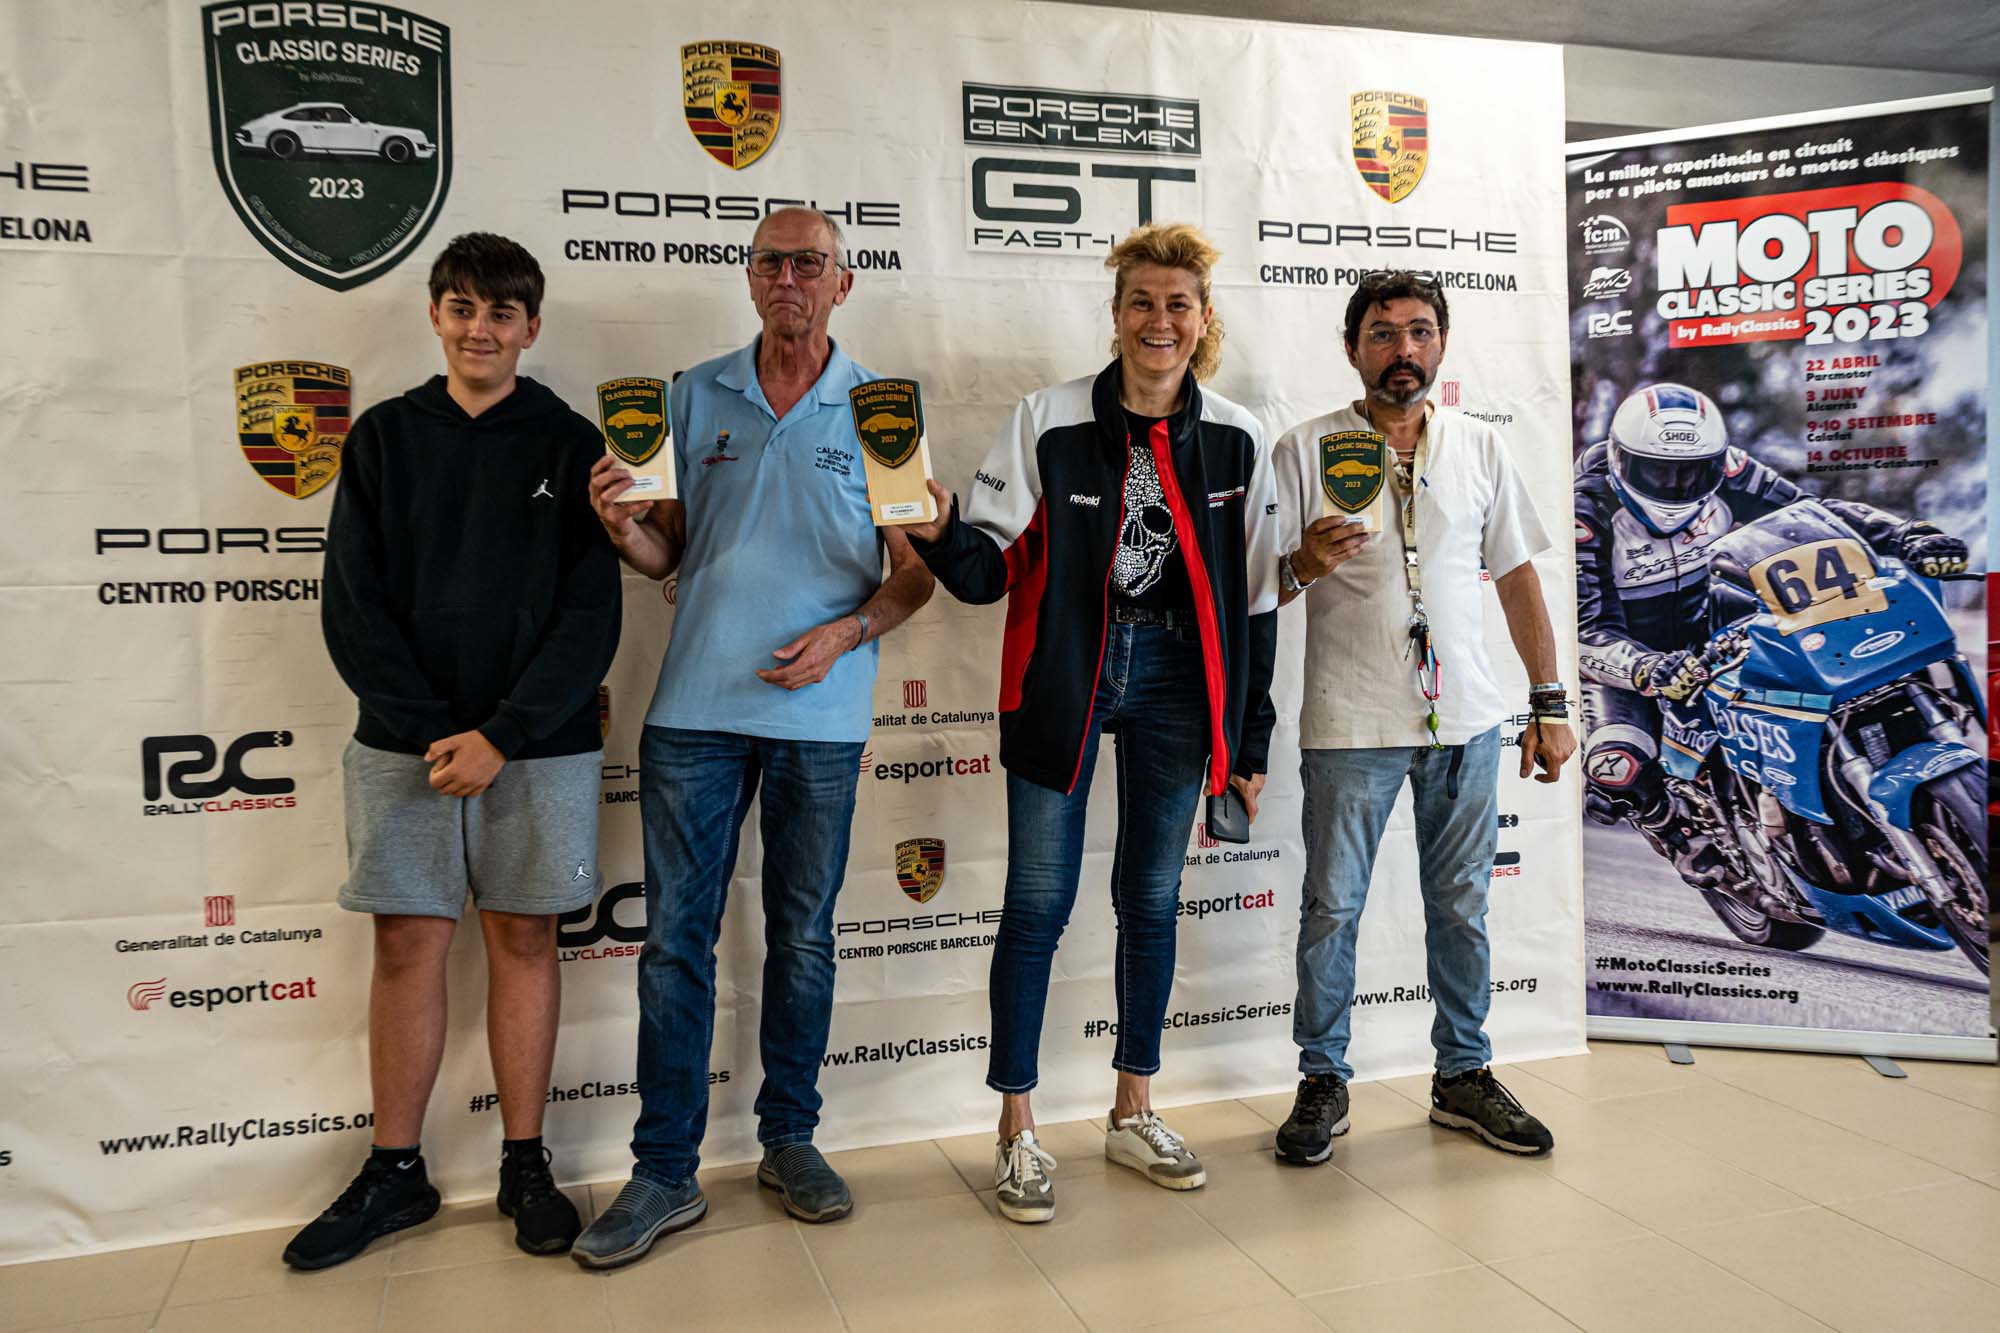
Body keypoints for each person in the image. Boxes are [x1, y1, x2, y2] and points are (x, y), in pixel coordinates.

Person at [571, 207, 935, 1270]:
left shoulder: (880, 411)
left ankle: (789, 1139)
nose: (790, 279)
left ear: (841, 282)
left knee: (804, 937)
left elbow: (915, 574)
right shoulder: (692, 395)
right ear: (748, 276)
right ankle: (663, 1170)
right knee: (673, 944)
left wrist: (847, 632)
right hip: (692, 712)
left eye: (810, 263)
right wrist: (622, 526)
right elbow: (667, 553)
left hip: (820, 719)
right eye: (773, 261)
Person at [905, 223, 1279, 1224]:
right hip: (1067, 673)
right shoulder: (1048, 418)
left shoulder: (1238, 435)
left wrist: (1248, 742)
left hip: (1179, 681)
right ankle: (1016, 1127)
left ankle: (1132, 1109)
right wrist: (936, 531)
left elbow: (1255, 605)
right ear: (1114, 316)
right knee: (1036, 900)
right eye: (1140, 302)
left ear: (1202, 320)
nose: (1159, 320)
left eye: (1177, 304)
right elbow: (987, 573)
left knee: (1149, 899)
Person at [287, 232, 622, 1269]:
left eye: (501, 312)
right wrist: (443, 731)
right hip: (406, 745)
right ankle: (396, 1170)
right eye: (463, 307)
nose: (481, 328)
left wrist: (504, 734)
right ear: (435, 315)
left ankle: (526, 1163)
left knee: (525, 941)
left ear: (532, 326)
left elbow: (590, 615)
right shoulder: (384, 437)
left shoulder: (571, 442)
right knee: (406, 945)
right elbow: (352, 606)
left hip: (540, 746)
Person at [1269, 269, 1571, 1165]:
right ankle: (1323, 1079)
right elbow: (1256, 586)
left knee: (1462, 907)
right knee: (1332, 910)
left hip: (1465, 721)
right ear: (1351, 347)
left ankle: (1463, 1074)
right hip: (1349, 723)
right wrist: (1303, 564)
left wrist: (1550, 701)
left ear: (1441, 343)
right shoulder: (1303, 448)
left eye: (1420, 331)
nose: (1403, 349)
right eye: (1383, 333)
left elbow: (1517, 575)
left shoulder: (1479, 445)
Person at [1574, 381, 1968, 888]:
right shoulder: (1585, 513)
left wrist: (1903, 533)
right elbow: (1585, 627)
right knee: (1615, 763)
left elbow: (1809, 516)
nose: (1676, 486)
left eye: (1693, 472)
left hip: (1718, 622)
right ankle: (1674, 832)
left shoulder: (1735, 470)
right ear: (1619, 459)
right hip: (1633, 654)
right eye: (1657, 471)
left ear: (1717, 461)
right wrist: (1645, 667)